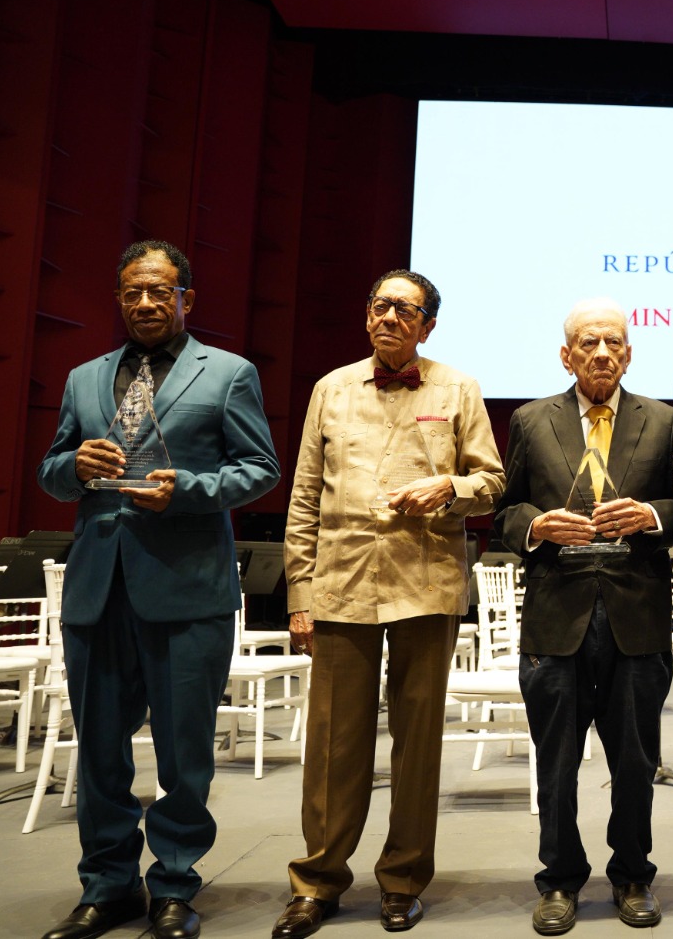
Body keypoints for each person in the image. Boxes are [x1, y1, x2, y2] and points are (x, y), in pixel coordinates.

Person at [37, 240, 280, 939]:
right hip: (96, 592)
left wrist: (189, 492)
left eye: (158, 291)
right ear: (119, 298)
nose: (144, 303)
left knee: (183, 757)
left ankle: (174, 884)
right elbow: (52, 469)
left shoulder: (228, 373)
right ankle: (107, 885)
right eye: (131, 292)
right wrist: (74, 466)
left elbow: (259, 468)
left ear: (185, 299)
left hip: (187, 592)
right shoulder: (85, 378)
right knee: (101, 755)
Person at [272, 270, 505, 939]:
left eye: (406, 310)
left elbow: (491, 483)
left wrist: (449, 488)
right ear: (366, 315)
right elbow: (305, 500)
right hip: (341, 587)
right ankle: (316, 882)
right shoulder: (331, 389)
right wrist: (300, 595)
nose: (390, 318)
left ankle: (402, 880)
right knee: (332, 748)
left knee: (417, 746)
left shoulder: (457, 388)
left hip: (426, 585)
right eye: (380, 306)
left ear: (428, 325)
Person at [494, 299, 673, 936]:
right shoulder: (528, 420)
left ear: (629, 353)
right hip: (556, 616)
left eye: (615, 343)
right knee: (557, 763)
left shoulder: (664, 420)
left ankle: (632, 875)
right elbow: (505, 509)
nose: (603, 353)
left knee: (635, 761)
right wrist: (535, 526)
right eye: (588, 343)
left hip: (638, 615)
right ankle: (560, 881)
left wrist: (654, 515)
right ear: (566, 354)